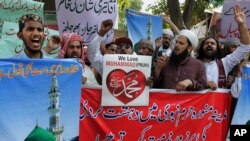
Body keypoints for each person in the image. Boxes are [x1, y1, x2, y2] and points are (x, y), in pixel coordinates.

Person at [196, 5, 250, 90]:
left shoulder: (225, 63)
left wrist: (241, 24)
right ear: (201, 47)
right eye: (206, 43)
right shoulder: (194, 64)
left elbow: (245, 47)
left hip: (218, 102)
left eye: (213, 43)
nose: (209, 44)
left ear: (217, 48)